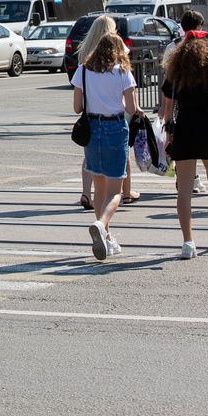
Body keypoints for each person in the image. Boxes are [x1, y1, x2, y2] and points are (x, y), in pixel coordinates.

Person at [160, 31, 208, 259]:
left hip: (183, 131)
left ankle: (188, 242)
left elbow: (168, 110)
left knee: (183, 190)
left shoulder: (175, 74)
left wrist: (169, 138)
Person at [72, 15, 138, 260]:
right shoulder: (123, 72)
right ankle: (102, 225)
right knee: (116, 191)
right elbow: (131, 108)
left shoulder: (83, 70)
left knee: (99, 189)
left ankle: (107, 239)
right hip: (114, 128)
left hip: (92, 130)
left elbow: (77, 107)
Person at [159, 9, 208, 197]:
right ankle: (192, 178)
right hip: (198, 99)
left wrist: (164, 106)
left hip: (177, 99)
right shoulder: (204, 46)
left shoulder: (172, 46)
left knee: (179, 139)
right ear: (198, 26)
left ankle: (185, 177)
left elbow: (167, 78)